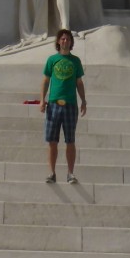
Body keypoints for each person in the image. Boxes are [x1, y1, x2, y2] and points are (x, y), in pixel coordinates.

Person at [40, 27, 86, 184]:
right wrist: (42, 100)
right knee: (52, 141)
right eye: (63, 39)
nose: (65, 41)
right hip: (53, 104)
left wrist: (83, 100)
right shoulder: (52, 60)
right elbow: (46, 80)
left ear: (71, 42)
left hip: (70, 104)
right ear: (59, 42)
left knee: (70, 141)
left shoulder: (76, 61)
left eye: (68, 39)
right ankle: (51, 172)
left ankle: (70, 173)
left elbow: (79, 82)